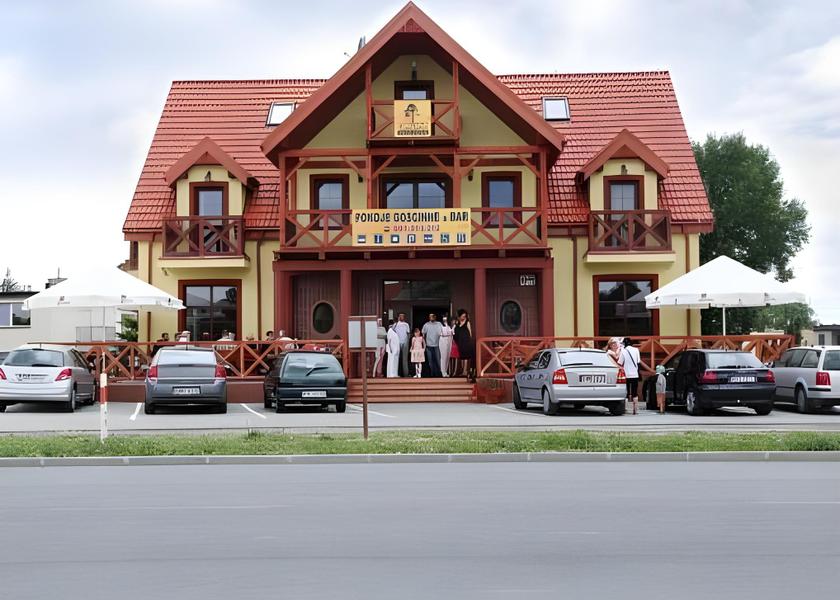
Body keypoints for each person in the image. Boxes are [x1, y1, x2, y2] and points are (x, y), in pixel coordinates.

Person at [619, 337, 641, 415]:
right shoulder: (636, 350)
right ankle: (635, 410)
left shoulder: (623, 351)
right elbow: (638, 362)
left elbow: (620, 362)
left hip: (626, 374)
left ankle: (625, 408)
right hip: (635, 374)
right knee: (635, 392)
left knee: (626, 392)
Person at [452, 309, 474, 379]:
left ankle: (465, 371)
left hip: (466, 342)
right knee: (461, 356)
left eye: (465, 316)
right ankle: (462, 370)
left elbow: (470, 333)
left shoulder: (467, 322)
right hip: (460, 342)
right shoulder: (457, 324)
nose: (463, 317)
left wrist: (470, 341)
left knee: (466, 356)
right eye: (462, 316)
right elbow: (454, 333)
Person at [421, 313, 444, 378]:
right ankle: (432, 374)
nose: (432, 317)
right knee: (430, 361)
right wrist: (424, 344)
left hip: (438, 345)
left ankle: (440, 374)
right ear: (429, 317)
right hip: (429, 345)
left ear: (435, 317)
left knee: (438, 360)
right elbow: (423, 334)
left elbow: (443, 332)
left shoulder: (439, 324)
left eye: (433, 316)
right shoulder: (426, 325)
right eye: (430, 316)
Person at [394, 312, 411, 377]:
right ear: (398, 317)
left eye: (403, 316)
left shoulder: (406, 324)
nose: (402, 317)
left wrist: (407, 342)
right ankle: (396, 374)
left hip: (405, 343)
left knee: (405, 359)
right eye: (400, 316)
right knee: (397, 359)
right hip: (397, 343)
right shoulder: (395, 325)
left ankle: (406, 374)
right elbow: (392, 333)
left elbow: (408, 334)